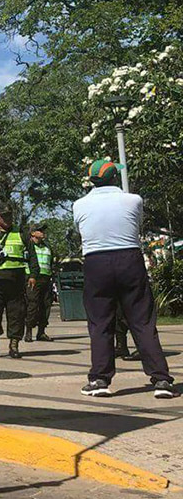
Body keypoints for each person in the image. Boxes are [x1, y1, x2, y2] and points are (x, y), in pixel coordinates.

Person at [72, 160, 175, 398]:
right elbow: (135, 224)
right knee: (142, 320)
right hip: (129, 258)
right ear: (114, 178)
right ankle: (161, 380)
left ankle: (99, 379)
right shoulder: (133, 200)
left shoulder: (79, 205)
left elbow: (82, 230)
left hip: (95, 261)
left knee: (100, 323)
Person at [0, 204, 38, 360]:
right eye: (4, 216)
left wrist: (33, 275)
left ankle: (14, 346)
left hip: (16, 281)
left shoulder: (21, 233)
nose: (8, 219)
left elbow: (32, 254)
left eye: (10, 216)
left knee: (17, 315)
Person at [24, 224, 55, 343]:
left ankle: (41, 332)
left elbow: (51, 261)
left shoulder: (47, 247)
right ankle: (28, 331)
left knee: (46, 305)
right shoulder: (27, 247)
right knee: (32, 304)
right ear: (32, 233)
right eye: (40, 230)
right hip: (32, 279)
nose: (43, 232)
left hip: (46, 278)